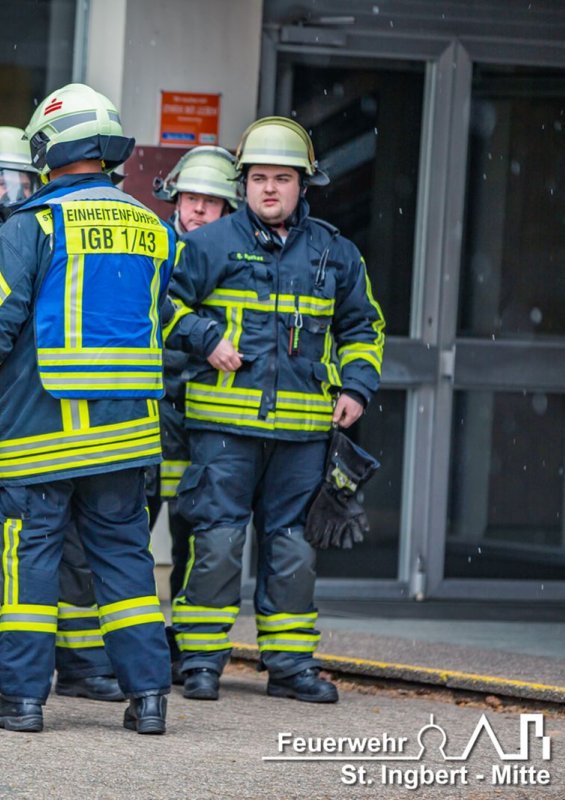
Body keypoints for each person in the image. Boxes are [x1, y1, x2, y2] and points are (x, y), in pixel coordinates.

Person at [0, 83, 175, 735]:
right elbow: (158, 315)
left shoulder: (33, 227)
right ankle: (149, 699)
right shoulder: (150, 228)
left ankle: (20, 701)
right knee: (126, 566)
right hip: (125, 437)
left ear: (46, 150)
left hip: (38, 435)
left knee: (29, 569)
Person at [167, 116, 385, 703]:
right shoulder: (208, 245)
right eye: (258, 178)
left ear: (303, 184)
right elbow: (162, 308)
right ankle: (200, 664)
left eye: (282, 179)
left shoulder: (336, 253)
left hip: (302, 435)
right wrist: (205, 337)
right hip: (222, 430)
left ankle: (289, 668)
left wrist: (356, 388)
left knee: (293, 550)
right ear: (243, 184)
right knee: (216, 546)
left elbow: (363, 326)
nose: (269, 189)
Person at [0, 125, 122, 703]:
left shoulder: (39, 231)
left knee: (61, 548)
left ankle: (79, 664)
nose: (15, 191)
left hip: (28, 410)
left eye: (23, 178)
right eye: (3, 180)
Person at [149, 146, 240, 678]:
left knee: (196, 534)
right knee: (130, 530)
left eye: (211, 201)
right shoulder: (153, 245)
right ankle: (126, 645)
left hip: (206, 416)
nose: (199, 210)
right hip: (151, 412)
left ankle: (184, 645)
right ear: (174, 198)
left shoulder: (237, 257)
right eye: (191, 198)